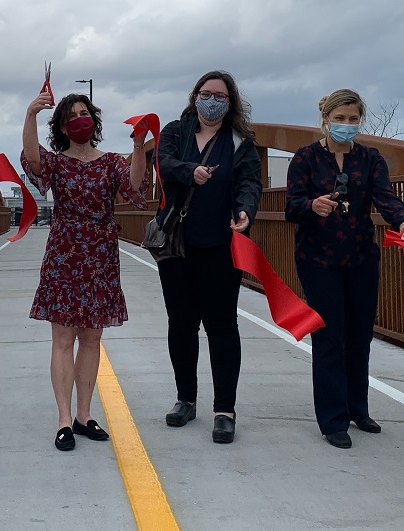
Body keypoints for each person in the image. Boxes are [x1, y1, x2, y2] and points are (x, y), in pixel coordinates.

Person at [285, 89, 404, 449]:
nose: (346, 125)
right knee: (330, 337)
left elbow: (384, 196)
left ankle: (358, 408)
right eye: (339, 118)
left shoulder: (370, 159)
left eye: (353, 118)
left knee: (360, 336)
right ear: (326, 119)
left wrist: (402, 219)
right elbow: (291, 206)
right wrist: (312, 205)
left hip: (361, 257)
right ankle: (332, 419)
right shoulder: (306, 158)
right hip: (318, 259)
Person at [22, 92, 149, 451]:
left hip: (100, 256)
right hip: (65, 254)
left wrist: (139, 146)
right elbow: (33, 158)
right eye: (72, 115)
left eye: (85, 113)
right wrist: (31, 113)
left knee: (91, 338)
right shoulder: (57, 164)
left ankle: (83, 415)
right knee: (63, 339)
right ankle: (64, 419)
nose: (81, 119)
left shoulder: (110, 162)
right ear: (62, 127)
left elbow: (134, 185)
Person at [155, 70, 261, 444]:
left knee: (221, 326)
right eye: (205, 93)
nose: (211, 100)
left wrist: (246, 209)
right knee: (181, 324)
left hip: (220, 245)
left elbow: (250, 181)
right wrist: (190, 171)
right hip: (177, 246)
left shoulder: (239, 141)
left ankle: (224, 409)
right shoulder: (175, 131)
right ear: (195, 96)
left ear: (229, 102)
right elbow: (163, 163)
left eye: (219, 95)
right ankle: (186, 399)